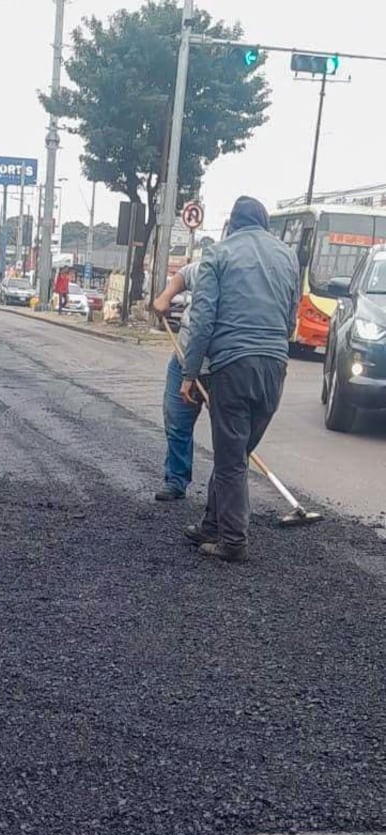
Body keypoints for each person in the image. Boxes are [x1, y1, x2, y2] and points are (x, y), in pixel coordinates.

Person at [182, 196, 300, 563]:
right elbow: (291, 320)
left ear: (232, 223)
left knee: (232, 457)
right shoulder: (288, 257)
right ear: (264, 224)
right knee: (237, 451)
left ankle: (233, 541)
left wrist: (189, 373)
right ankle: (212, 524)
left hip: (233, 365)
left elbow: (202, 321)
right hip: (274, 367)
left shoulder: (218, 254)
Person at [152, 262, 208, 501]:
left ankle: (226, 495)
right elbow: (184, 274)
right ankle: (176, 478)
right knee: (176, 419)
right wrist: (164, 297)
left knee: (230, 432)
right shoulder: (210, 265)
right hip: (184, 356)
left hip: (224, 366)